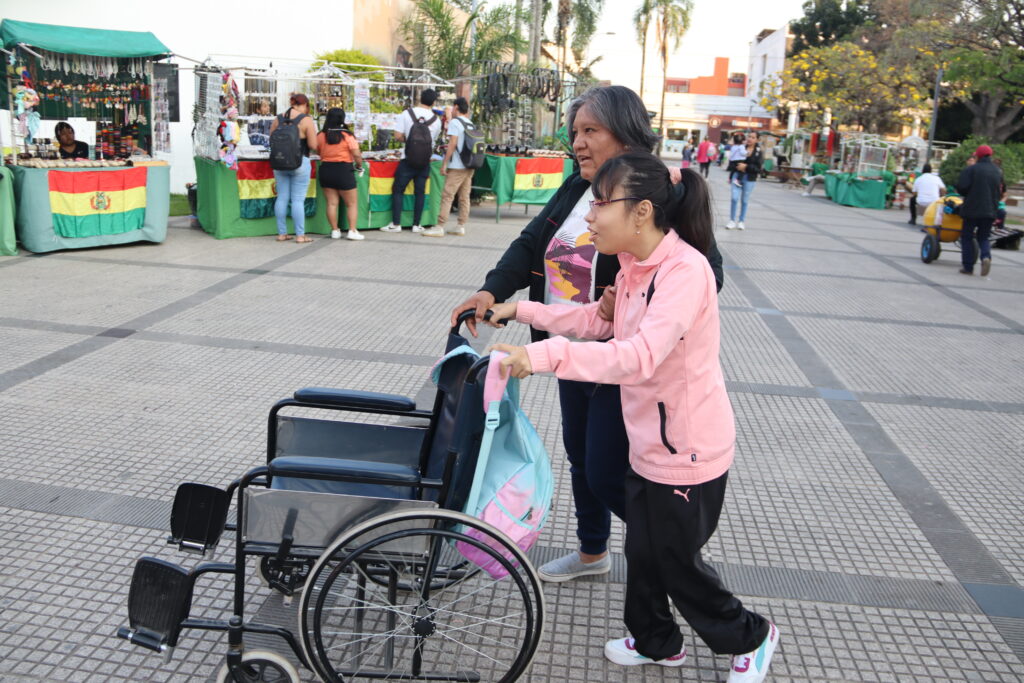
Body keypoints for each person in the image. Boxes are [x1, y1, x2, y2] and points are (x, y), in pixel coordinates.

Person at [485, 152, 778, 682]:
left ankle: (750, 635)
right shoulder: (633, 268)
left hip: (688, 447)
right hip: (650, 440)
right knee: (644, 549)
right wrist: (524, 311)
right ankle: (655, 640)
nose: (590, 216)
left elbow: (638, 355)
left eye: (600, 203)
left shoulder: (685, 273)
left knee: (673, 559)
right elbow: (599, 326)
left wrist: (544, 357)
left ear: (641, 211)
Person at [448, 85, 724, 584]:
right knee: (580, 456)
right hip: (565, 344)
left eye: (591, 131)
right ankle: (595, 552)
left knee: (603, 467)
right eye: (575, 131)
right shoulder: (579, 186)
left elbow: (707, 272)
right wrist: (492, 292)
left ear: (625, 133)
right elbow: (532, 241)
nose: (578, 142)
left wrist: (638, 296)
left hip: (621, 357)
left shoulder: (654, 190)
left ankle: (670, 553)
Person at [381, 88, 443, 234]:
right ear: (434, 102)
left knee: (398, 190)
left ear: (420, 98)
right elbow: (432, 141)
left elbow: (397, 135)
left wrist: (409, 141)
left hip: (407, 159)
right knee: (420, 192)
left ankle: (396, 224)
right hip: (425, 161)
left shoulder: (406, 114)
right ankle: (417, 224)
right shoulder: (436, 120)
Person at [268, 93, 319, 243]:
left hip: (279, 163)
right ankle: (300, 235)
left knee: (282, 197)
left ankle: (282, 234)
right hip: (300, 162)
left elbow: (271, 139)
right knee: (297, 200)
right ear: (304, 105)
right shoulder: (306, 120)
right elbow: (313, 145)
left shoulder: (278, 118)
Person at [423, 96, 475, 238]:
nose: (451, 110)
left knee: (447, 196)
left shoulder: (455, 122)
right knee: (464, 197)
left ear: (456, 107)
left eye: (452, 107)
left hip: (457, 166)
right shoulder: (470, 123)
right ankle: (461, 225)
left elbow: (452, 144)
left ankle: (439, 226)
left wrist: (445, 163)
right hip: (469, 165)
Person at [317, 107, 365, 241]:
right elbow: (356, 154)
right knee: (351, 203)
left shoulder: (321, 135)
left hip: (326, 169)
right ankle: (352, 230)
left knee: (332, 203)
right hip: (344, 170)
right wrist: (359, 165)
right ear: (342, 119)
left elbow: (317, 150)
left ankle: (335, 230)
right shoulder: (347, 135)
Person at [956, 144, 1004, 276]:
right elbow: (1001, 191)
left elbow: (962, 188)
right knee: (984, 237)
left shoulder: (971, 169)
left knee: (966, 236)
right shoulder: (997, 171)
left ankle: (968, 267)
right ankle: (985, 257)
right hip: (990, 210)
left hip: (972, 209)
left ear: (977, 155)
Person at [726, 132, 763, 230]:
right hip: (737, 176)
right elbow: (732, 162)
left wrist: (746, 166)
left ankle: (741, 221)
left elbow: (758, 169)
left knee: (744, 200)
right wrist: (736, 168)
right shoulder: (740, 147)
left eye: (753, 137)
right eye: (749, 137)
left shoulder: (758, 152)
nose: (750, 139)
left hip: (750, 178)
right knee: (734, 198)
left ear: (757, 140)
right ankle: (732, 220)